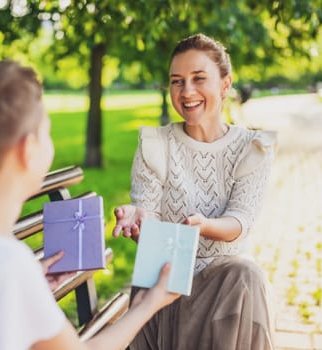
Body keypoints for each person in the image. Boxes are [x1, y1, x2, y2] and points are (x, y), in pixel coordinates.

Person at [0, 60, 180, 350]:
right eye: (47, 132)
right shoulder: (7, 263)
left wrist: (30, 287)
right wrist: (147, 304)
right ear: (27, 150)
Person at [113, 33, 275, 349]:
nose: (187, 92)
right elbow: (149, 219)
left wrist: (204, 226)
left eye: (199, 78)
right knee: (244, 277)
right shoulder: (155, 145)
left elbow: (241, 221)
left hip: (222, 286)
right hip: (165, 283)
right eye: (177, 81)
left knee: (247, 275)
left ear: (225, 84)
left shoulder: (251, 148)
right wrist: (139, 219)